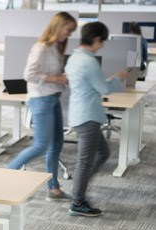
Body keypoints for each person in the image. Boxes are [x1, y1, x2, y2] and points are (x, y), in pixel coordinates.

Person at [7, 11, 77, 201]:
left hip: (53, 97)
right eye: (68, 29)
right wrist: (56, 78)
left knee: (56, 144)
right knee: (40, 145)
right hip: (40, 100)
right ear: (58, 26)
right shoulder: (41, 47)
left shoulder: (55, 47)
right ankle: (5, 175)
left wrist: (65, 78)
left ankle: (53, 188)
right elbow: (28, 74)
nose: (69, 34)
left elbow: (50, 73)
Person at [64, 22, 128, 217]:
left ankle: (79, 191)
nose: (102, 45)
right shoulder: (89, 62)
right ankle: (77, 201)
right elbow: (105, 89)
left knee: (102, 153)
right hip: (87, 117)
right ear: (96, 39)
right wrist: (118, 77)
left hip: (80, 113)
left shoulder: (74, 58)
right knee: (85, 161)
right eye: (102, 42)